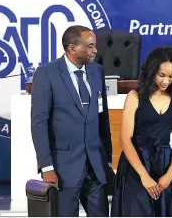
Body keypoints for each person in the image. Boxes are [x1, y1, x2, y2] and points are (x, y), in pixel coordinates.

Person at [31, 25, 113, 217]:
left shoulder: (97, 71)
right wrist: (47, 167)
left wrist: (107, 161)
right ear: (72, 48)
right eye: (90, 46)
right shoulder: (46, 74)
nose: (95, 50)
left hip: (95, 167)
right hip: (63, 169)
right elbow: (39, 123)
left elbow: (103, 118)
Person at [111, 47, 172, 217]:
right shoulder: (134, 96)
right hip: (136, 165)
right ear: (151, 71)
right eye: (161, 75)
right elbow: (125, 139)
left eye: (171, 76)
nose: (166, 81)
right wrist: (144, 176)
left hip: (165, 164)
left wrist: (170, 174)